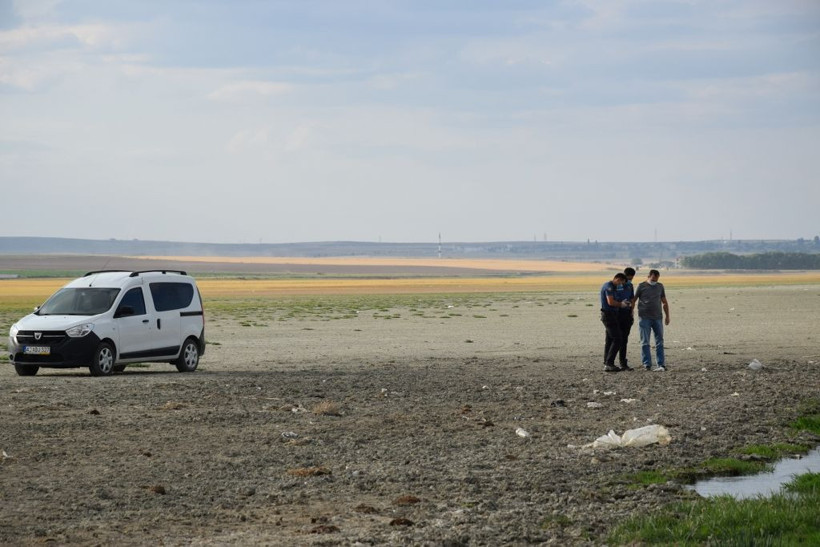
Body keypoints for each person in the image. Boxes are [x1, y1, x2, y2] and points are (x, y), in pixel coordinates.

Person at [633, 269, 670, 371]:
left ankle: (661, 364)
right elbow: (634, 300)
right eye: (653, 279)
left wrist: (667, 316)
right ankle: (647, 364)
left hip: (657, 317)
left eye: (656, 279)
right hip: (644, 317)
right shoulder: (641, 286)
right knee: (645, 341)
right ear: (648, 276)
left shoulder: (660, 286)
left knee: (659, 342)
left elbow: (664, 302)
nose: (654, 281)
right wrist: (631, 312)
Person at [600, 273, 632, 372]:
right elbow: (610, 302)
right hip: (608, 315)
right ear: (617, 279)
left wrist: (623, 303)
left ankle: (607, 363)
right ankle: (609, 363)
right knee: (618, 338)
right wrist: (620, 304)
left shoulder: (613, 287)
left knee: (610, 339)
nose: (621, 285)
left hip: (614, 315)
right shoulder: (608, 287)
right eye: (621, 282)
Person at [613, 267, 636, 370]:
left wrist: (631, 311)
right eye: (628, 278)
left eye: (631, 278)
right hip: (617, 315)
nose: (629, 280)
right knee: (614, 339)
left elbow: (632, 299)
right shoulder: (617, 285)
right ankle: (609, 362)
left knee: (624, 340)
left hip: (627, 314)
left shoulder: (630, 286)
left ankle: (623, 363)